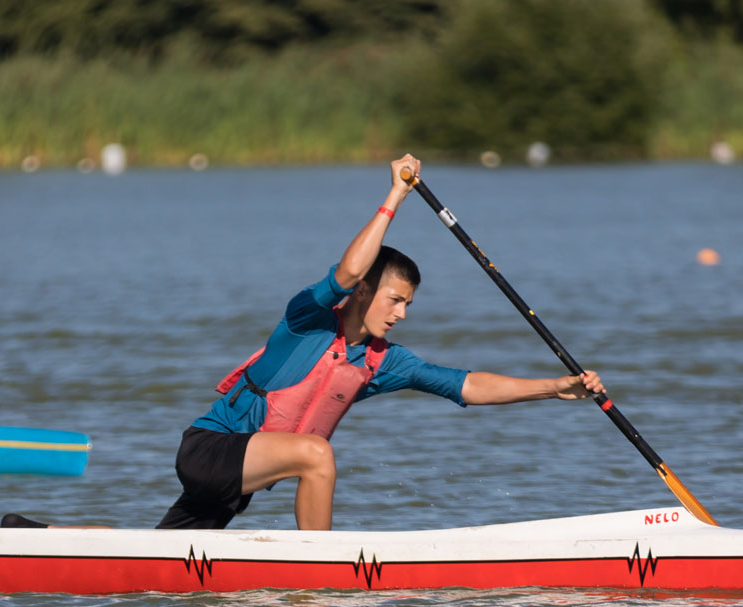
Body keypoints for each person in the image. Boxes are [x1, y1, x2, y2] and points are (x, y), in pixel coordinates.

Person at [157, 154, 606, 531]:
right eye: (394, 300)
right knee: (316, 455)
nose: (402, 314)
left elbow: (467, 386)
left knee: (164, 552)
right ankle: (321, 572)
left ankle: (87, 546)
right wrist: (397, 195)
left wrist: (555, 387)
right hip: (208, 452)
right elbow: (349, 273)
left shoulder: (382, 361)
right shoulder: (306, 320)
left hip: (239, 480)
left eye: (408, 303)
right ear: (365, 294)